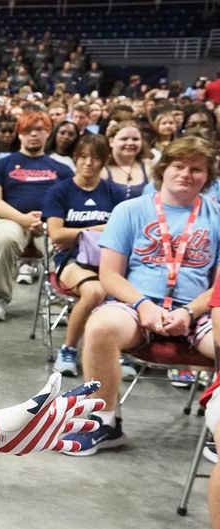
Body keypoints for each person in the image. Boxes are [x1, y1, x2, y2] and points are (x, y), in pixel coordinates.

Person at [72, 137, 220, 456]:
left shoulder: (217, 216)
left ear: (208, 176)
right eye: (179, 166)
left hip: (199, 312)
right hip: (136, 305)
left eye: (196, 169)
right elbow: (110, 275)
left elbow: (219, 286)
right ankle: (104, 423)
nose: (186, 174)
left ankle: (218, 431)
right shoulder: (130, 210)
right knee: (100, 327)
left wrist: (189, 312)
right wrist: (143, 305)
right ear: (163, 169)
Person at [41, 134, 127, 376]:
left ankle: (122, 352)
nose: (88, 163)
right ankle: (68, 349)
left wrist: (79, 232)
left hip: (108, 260)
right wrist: (99, 228)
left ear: (104, 161)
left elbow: (125, 232)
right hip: (70, 260)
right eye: (83, 157)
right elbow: (57, 235)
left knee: (132, 287)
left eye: (95, 158)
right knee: (95, 291)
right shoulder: (60, 191)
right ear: (75, 158)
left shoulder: (114, 193)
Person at [0, 111, 73, 321]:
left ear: (48, 133)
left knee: (61, 245)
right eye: (28, 130)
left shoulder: (62, 169)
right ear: (20, 134)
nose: (33, 134)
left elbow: (70, 201)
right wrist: (23, 219)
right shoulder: (1, 164)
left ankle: (57, 302)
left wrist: (49, 219)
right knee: (5, 239)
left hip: (49, 221)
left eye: (39, 130)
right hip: (11, 219)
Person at [103, 120, 151, 202]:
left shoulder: (148, 166)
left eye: (135, 139)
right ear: (111, 141)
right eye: (124, 139)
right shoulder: (102, 168)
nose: (130, 143)